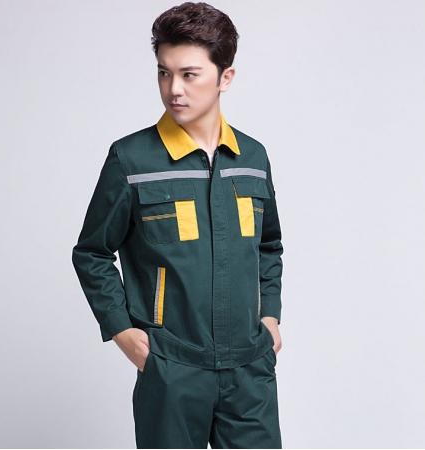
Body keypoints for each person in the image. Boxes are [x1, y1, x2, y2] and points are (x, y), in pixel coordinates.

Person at [72, 2, 284, 448]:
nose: (174, 89)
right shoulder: (131, 159)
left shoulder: (253, 158)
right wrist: (121, 330)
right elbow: (91, 252)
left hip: (250, 368)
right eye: (164, 73)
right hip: (172, 368)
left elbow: (268, 246)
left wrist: (270, 316)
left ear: (225, 77)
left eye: (189, 74)